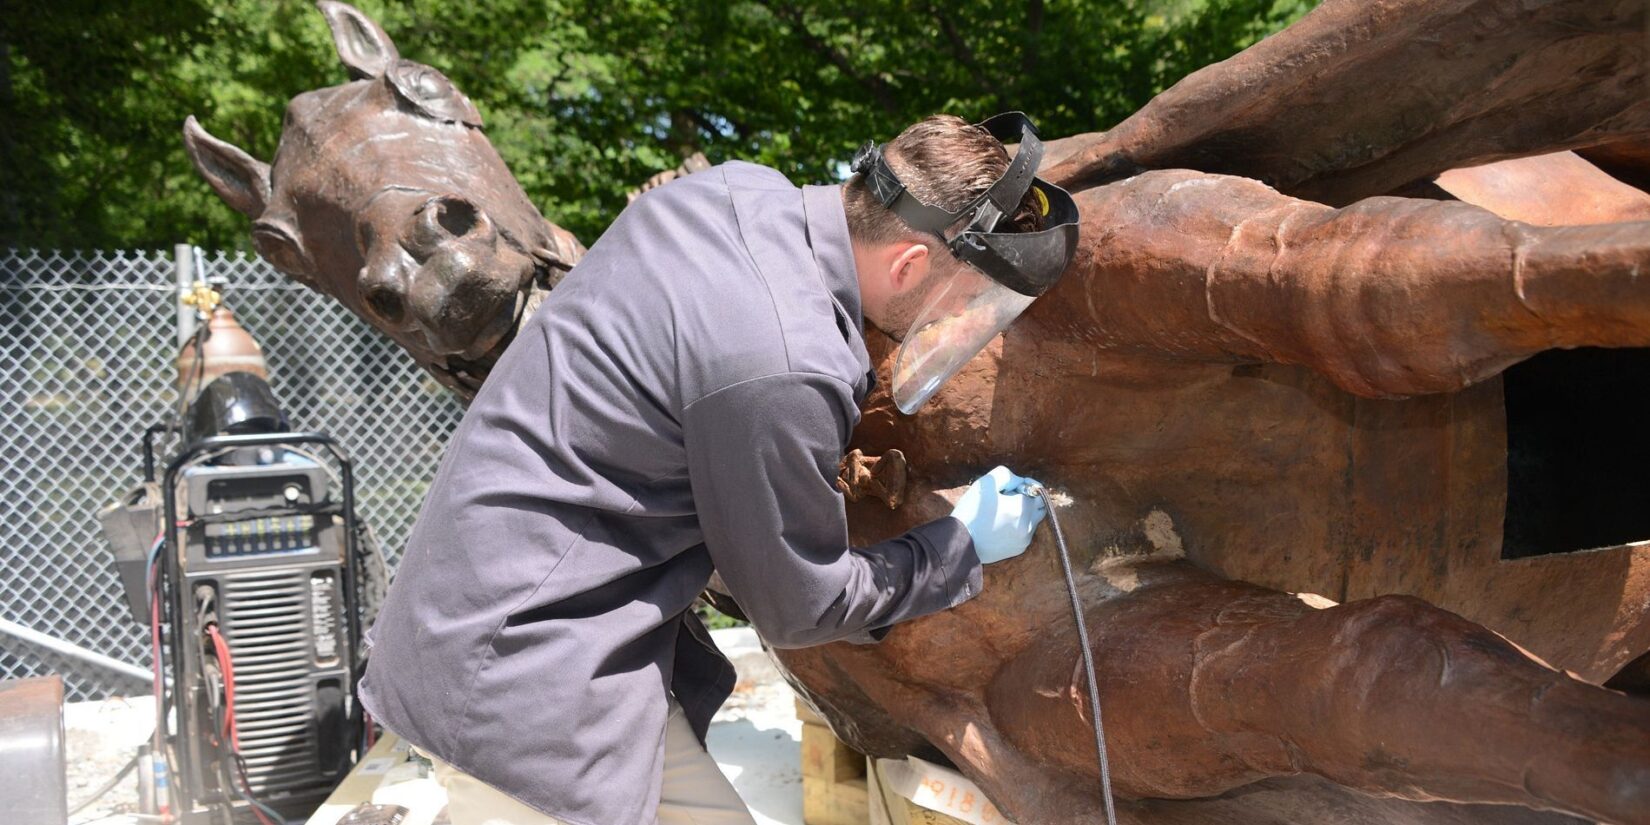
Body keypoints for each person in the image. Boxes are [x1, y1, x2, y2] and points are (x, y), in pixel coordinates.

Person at [358, 114, 1066, 825]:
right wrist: (960, 544)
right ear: (910, 264)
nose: (963, 320)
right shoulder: (785, 359)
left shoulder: (732, 193)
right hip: (520, 689)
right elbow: (803, 605)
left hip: (494, 619)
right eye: (969, 297)